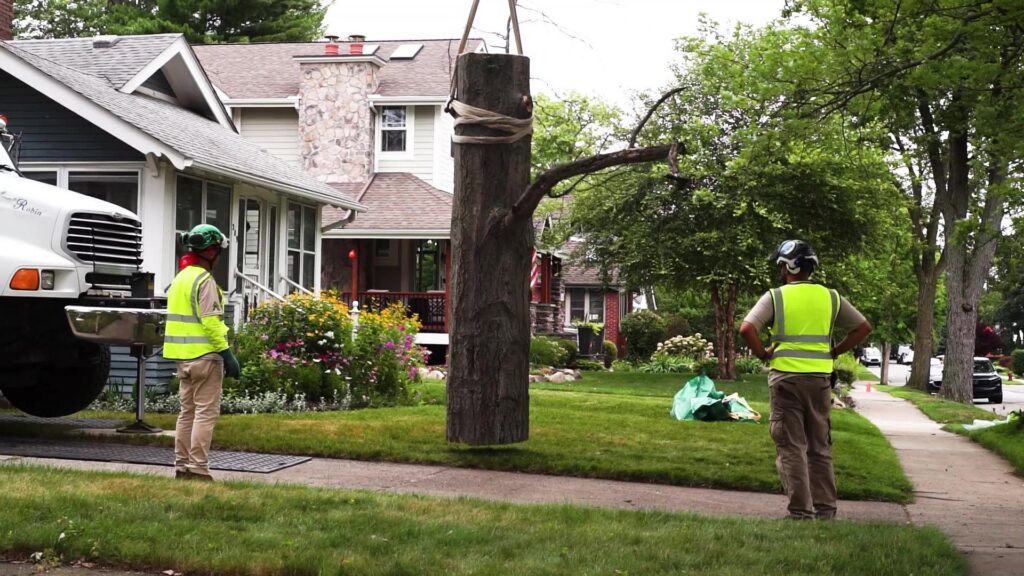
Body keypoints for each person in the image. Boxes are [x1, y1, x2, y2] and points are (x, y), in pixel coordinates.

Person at [738, 239, 871, 520]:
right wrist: (834, 351)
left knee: (791, 446)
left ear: (789, 266)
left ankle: (800, 512)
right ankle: (825, 510)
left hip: (786, 380)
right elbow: (862, 327)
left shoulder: (776, 296)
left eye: (780, 266)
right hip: (820, 381)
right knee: (819, 447)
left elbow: (747, 328)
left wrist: (763, 353)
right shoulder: (831, 297)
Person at [163, 224, 241, 481]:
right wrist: (227, 354)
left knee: (186, 413)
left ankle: (181, 467)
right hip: (205, 356)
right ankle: (198, 468)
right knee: (205, 413)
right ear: (210, 251)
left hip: (182, 357)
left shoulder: (180, 279)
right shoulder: (204, 281)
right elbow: (210, 322)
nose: (219, 256)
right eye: (218, 251)